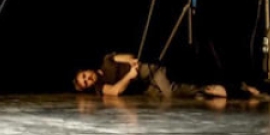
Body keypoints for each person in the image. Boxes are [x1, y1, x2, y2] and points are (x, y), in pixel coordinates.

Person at [73, 51, 243, 99]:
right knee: (175, 95)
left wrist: (132, 63)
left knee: (170, 92)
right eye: (86, 82)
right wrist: (129, 76)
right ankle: (210, 91)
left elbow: (128, 57)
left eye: (85, 76)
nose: (88, 79)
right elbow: (116, 91)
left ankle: (221, 90)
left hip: (149, 71)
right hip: (144, 85)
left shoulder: (107, 60)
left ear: (86, 70)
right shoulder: (101, 87)